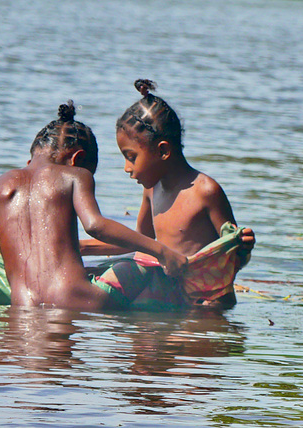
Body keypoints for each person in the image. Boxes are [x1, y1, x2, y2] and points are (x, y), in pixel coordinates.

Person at [0, 101, 187, 311]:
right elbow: (95, 225)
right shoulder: (74, 175)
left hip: (24, 308)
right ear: (77, 160)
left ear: (31, 157)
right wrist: (161, 252)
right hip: (85, 304)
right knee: (140, 266)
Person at [81, 79, 255, 308]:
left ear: (163, 150)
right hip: (169, 297)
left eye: (131, 157)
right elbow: (137, 243)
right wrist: (78, 246)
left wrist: (243, 248)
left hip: (205, 304)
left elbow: (231, 257)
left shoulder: (205, 191)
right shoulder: (151, 190)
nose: (126, 168)